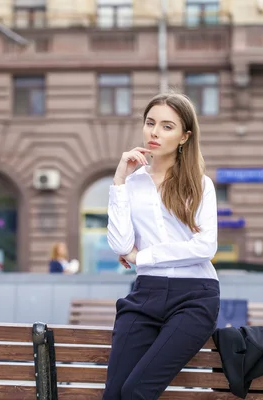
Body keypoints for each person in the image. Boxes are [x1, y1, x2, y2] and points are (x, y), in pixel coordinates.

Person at [104, 91, 220, 399]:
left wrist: (143, 257)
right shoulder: (132, 183)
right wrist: (119, 180)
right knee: (114, 394)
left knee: (136, 391)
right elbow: (119, 243)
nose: (155, 132)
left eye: (167, 126)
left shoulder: (199, 183)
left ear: (185, 136)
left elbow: (205, 247)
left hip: (194, 298)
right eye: (150, 123)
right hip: (145, 296)